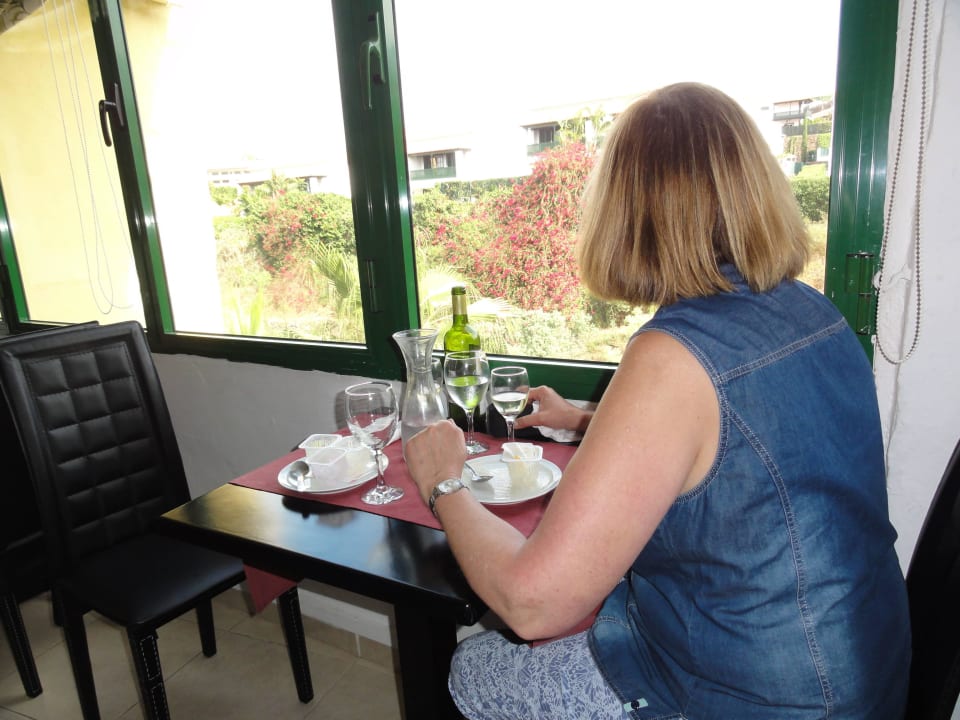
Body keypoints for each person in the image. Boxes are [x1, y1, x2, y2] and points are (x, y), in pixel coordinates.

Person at [404, 82, 910, 719]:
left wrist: (443, 482)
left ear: (629, 212)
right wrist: (588, 420)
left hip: (756, 700)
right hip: (867, 673)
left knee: (471, 670)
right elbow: (746, 440)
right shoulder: (813, 310)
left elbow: (533, 606)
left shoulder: (670, 355)